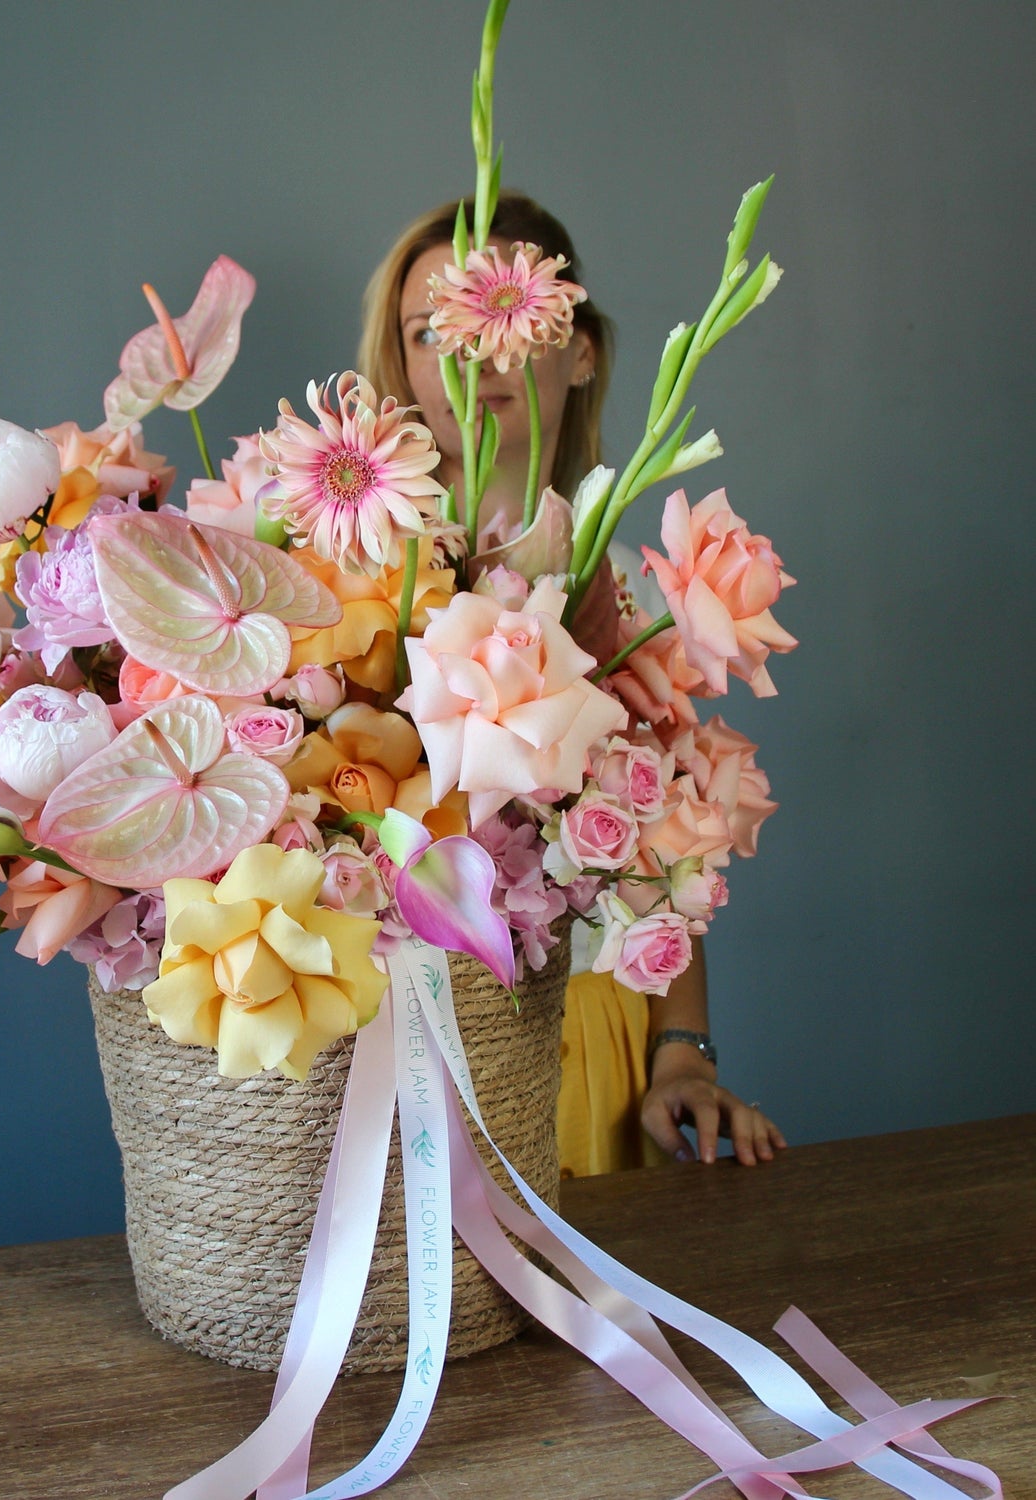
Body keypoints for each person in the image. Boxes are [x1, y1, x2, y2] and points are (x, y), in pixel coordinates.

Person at [357, 192, 787, 1177]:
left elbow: (664, 846)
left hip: (594, 1045)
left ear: (581, 347)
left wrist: (683, 1056)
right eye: (433, 329)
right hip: (400, 1058)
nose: (473, 351)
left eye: (507, 312)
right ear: (404, 362)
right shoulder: (361, 585)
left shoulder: (645, 590)